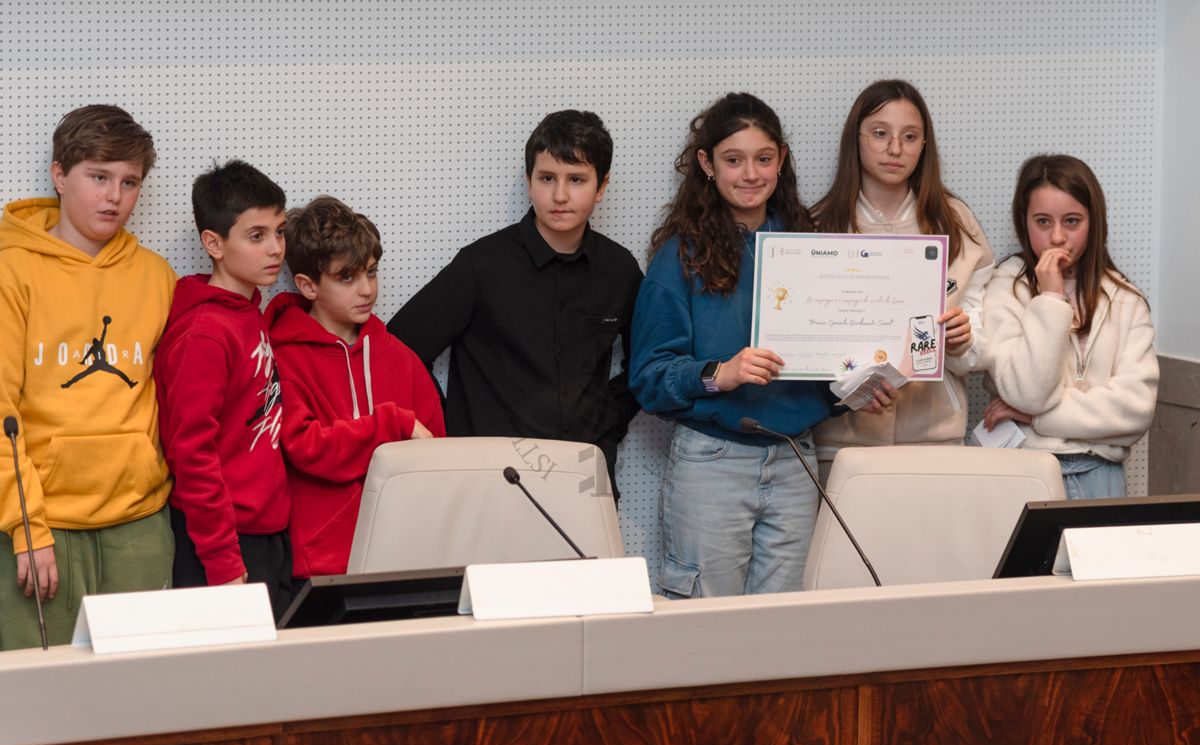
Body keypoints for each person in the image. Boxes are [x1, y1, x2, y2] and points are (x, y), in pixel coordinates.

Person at [629, 92, 888, 599]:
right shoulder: (679, 257)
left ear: (782, 159)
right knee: (705, 625)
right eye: (733, 160)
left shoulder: (814, 248)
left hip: (796, 460)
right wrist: (718, 373)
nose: (750, 174)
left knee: (781, 628)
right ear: (706, 164)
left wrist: (859, 388)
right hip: (712, 462)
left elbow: (826, 370)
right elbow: (648, 378)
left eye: (763, 159)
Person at [387, 110, 642, 499]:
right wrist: (450, 429)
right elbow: (397, 349)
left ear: (601, 186)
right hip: (489, 483)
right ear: (528, 181)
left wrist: (606, 422)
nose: (560, 195)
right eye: (547, 178)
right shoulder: (482, 265)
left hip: (584, 480)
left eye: (576, 179)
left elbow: (648, 365)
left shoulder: (619, 269)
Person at [0, 105, 177, 650]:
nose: (114, 197)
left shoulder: (156, 276)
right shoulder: (12, 270)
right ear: (59, 175)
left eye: (129, 182)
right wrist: (27, 525)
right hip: (40, 526)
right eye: (98, 177)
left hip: (139, 521)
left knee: (141, 686)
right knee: (39, 689)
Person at [810, 80, 995, 475]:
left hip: (934, 439)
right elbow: (805, 341)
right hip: (841, 444)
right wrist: (847, 387)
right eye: (880, 134)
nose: (895, 148)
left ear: (924, 145)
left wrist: (964, 340)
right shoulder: (818, 226)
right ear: (856, 139)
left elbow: (980, 339)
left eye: (909, 137)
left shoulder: (957, 224)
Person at [266, 196, 445, 579]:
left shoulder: (401, 359)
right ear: (307, 286)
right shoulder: (283, 359)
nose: (366, 290)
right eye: (347, 277)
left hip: (404, 558)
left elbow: (436, 459)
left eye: (371, 272)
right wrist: (391, 425)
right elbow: (306, 446)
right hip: (321, 566)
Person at [154, 160, 293, 617]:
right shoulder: (205, 334)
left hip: (265, 532)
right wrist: (223, 561)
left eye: (279, 232)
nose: (275, 248)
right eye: (256, 236)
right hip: (223, 545)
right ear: (213, 243)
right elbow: (192, 454)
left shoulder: (248, 313)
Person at [983, 154, 1157, 499]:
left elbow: (1135, 410)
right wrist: (1050, 298)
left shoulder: (1125, 300)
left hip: (1100, 473)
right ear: (1024, 221)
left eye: (1072, 221)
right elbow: (1027, 393)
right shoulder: (1007, 289)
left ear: (1094, 222)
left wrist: (1038, 419)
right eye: (1043, 221)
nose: (1057, 237)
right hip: (1026, 468)